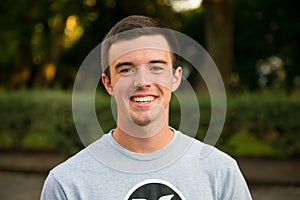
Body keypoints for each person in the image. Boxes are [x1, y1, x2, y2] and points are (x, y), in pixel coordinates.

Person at [40, 15, 252, 200]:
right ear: (108, 83)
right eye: (126, 69)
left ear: (176, 78)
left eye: (156, 67)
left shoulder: (221, 172)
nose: (142, 81)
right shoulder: (67, 183)